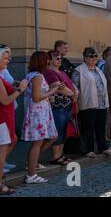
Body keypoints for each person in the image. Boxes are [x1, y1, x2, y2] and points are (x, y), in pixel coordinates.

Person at [22, 51, 60, 184]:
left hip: (40, 112)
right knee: (37, 144)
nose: (49, 62)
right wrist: (51, 91)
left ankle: (32, 164)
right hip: (38, 114)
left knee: (50, 138)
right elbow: (36, 97)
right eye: (47, 60)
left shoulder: (32, 75)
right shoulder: (37, 76)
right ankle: (31, 174)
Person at [72, 47, 111, 158]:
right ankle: (87, 149)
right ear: (85, 57)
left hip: (101, 104)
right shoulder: (79, 70)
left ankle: (103, 147)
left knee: (100, 127)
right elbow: (74, 87)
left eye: (95, 56)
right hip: (88, 103)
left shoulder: (98, 70)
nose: (94, 58)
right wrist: (76, 102)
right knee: (88, 128)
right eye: (91, 56)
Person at [0, 45, 28, 195]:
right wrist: (20, 89)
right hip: (2, 119)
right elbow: (5, 101)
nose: (8, 61)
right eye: (5, 58)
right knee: (1, 153)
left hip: (3, 118)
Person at [43, 50, 78, 166]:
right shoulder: (49, 72)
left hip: (67, 106)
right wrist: (72, 93)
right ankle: (55, 156)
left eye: (60, 58)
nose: (59, 60)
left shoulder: (62, 72)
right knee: (58, 130)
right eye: (57, 58)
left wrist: (75, 91)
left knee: (64, 131)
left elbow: (71, 84)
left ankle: (60, 154)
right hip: (58, 106)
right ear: (49, 60)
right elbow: (58, 88)